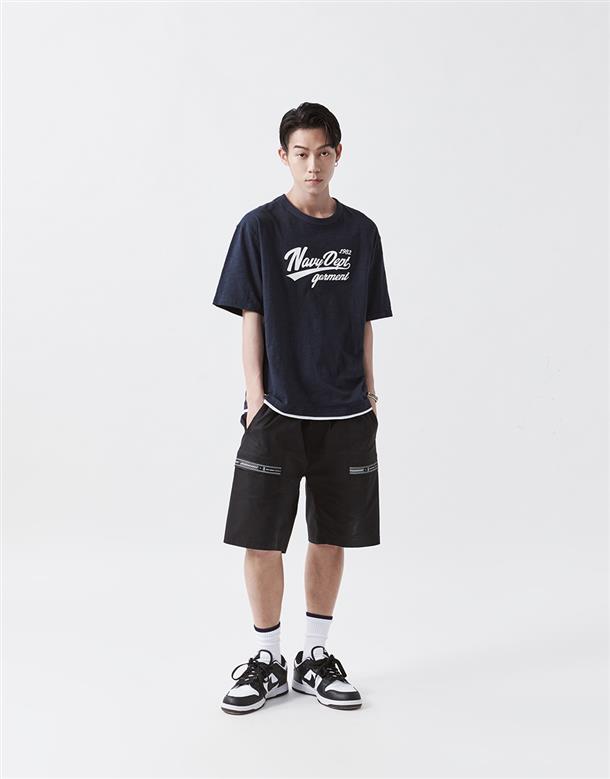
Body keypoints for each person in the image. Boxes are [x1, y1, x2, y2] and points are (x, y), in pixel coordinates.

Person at [212, 102, 393, 715]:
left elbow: (366, 320)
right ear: (283, 157)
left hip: (345, 413)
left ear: (338, 156)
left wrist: (371, 395)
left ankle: (315, 656)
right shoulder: (260, 228)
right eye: (301, 153)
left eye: (322, 152)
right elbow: (251, 315)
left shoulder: (361, 233)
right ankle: (267, 660)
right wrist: (255, 397)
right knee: (261, 538)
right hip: (278, 412)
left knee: (331, 535)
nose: (312, 164)